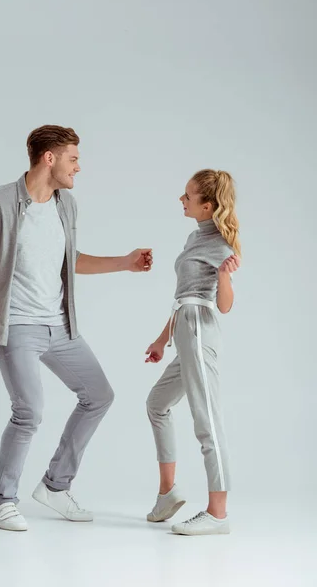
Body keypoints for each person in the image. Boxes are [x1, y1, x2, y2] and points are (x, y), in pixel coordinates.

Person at [0, 125, 153, 531]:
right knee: (29, 412)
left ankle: (55, 486)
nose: (78, 167)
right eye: (74, 158)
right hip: (17, 326)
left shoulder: (67, 205)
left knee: (99, 395)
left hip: (61, 326)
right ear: (50, 158)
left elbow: (69, 259)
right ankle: (3, 501)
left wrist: (125, 262)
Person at [145, 169, 240, 536]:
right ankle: (167, 493)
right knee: (157, 403)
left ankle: (218, 513)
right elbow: (183, 295)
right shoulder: (194, 236)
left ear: (208, 204)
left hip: (200, 326)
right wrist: (161, 339)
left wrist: (226, 278)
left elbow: (224, 305)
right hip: (184, 324)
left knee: (207, 420)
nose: (181, 200)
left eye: (188, 196)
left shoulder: (221, 243)